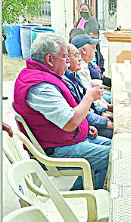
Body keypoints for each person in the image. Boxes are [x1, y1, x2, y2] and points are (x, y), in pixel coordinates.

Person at [13, 33, 111, 190]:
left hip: (67, 139)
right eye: (65, 56)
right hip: (56, 149)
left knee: (116, 146)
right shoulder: (40, 86)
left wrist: (84, 125)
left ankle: (85, 190)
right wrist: (89, 97)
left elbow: (66, 113)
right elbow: (70, 122)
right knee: (114, 157)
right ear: (50, 60)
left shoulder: (45, 76)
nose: (68, 61)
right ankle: (88, 198)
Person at [63, 43, 113, 138]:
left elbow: (85, 109)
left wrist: (102, 111)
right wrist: (105, 122)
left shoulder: (73, 76)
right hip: (75, 135)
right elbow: (76, 115)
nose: (80, 59)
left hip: (86, 124)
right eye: (76, 56)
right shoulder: (65, 82)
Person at [71, 34, 112, 111]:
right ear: (84, 50)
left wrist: (108, 105)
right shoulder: (79, 69)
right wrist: (106, 108)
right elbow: (87, 97)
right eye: (93, 48)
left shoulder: (85, 64)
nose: (96, 51)